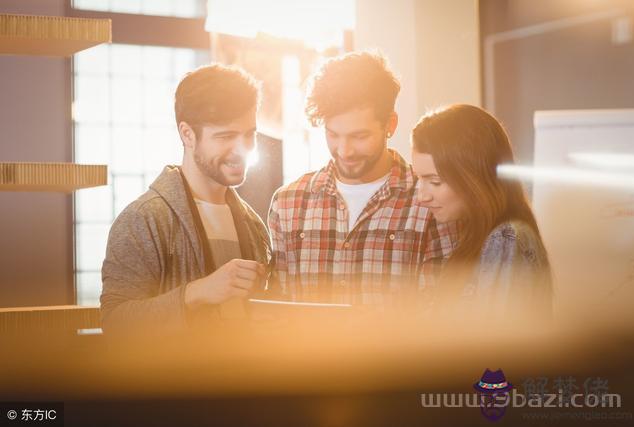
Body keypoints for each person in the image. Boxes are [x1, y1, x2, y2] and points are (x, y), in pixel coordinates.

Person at [267, 51, 456, 308]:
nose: (344, 151)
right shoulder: (288, 202)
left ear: (390, 124)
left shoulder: (429, 201)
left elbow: (440, 311)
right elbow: (279, 311)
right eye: (333, 135)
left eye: (359, 136)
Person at [101, 64, 271, 335]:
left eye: (249, 135)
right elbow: (116, 324)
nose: (243, 150)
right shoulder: (143, 219)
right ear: (187, 134)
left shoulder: (253, 223)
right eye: (225, 136)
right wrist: (197, 292)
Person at [411, 104, 552, 320]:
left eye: (435, 182)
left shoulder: (505, 237)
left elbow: (490, 347)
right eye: (419, 179)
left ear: (474, 177)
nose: (422, 196)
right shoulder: (478, 234)